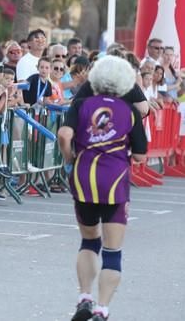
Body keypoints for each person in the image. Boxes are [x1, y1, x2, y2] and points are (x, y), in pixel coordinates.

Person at [58, 56, 147, 321]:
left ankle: (84, 297)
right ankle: (102, 309)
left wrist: (69, 157)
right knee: (112, 251)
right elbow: (141, 155)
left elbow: (64, 134)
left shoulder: (82, 104)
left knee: (88, 240)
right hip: (115, 181)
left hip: (83, 177)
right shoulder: (130, 111)